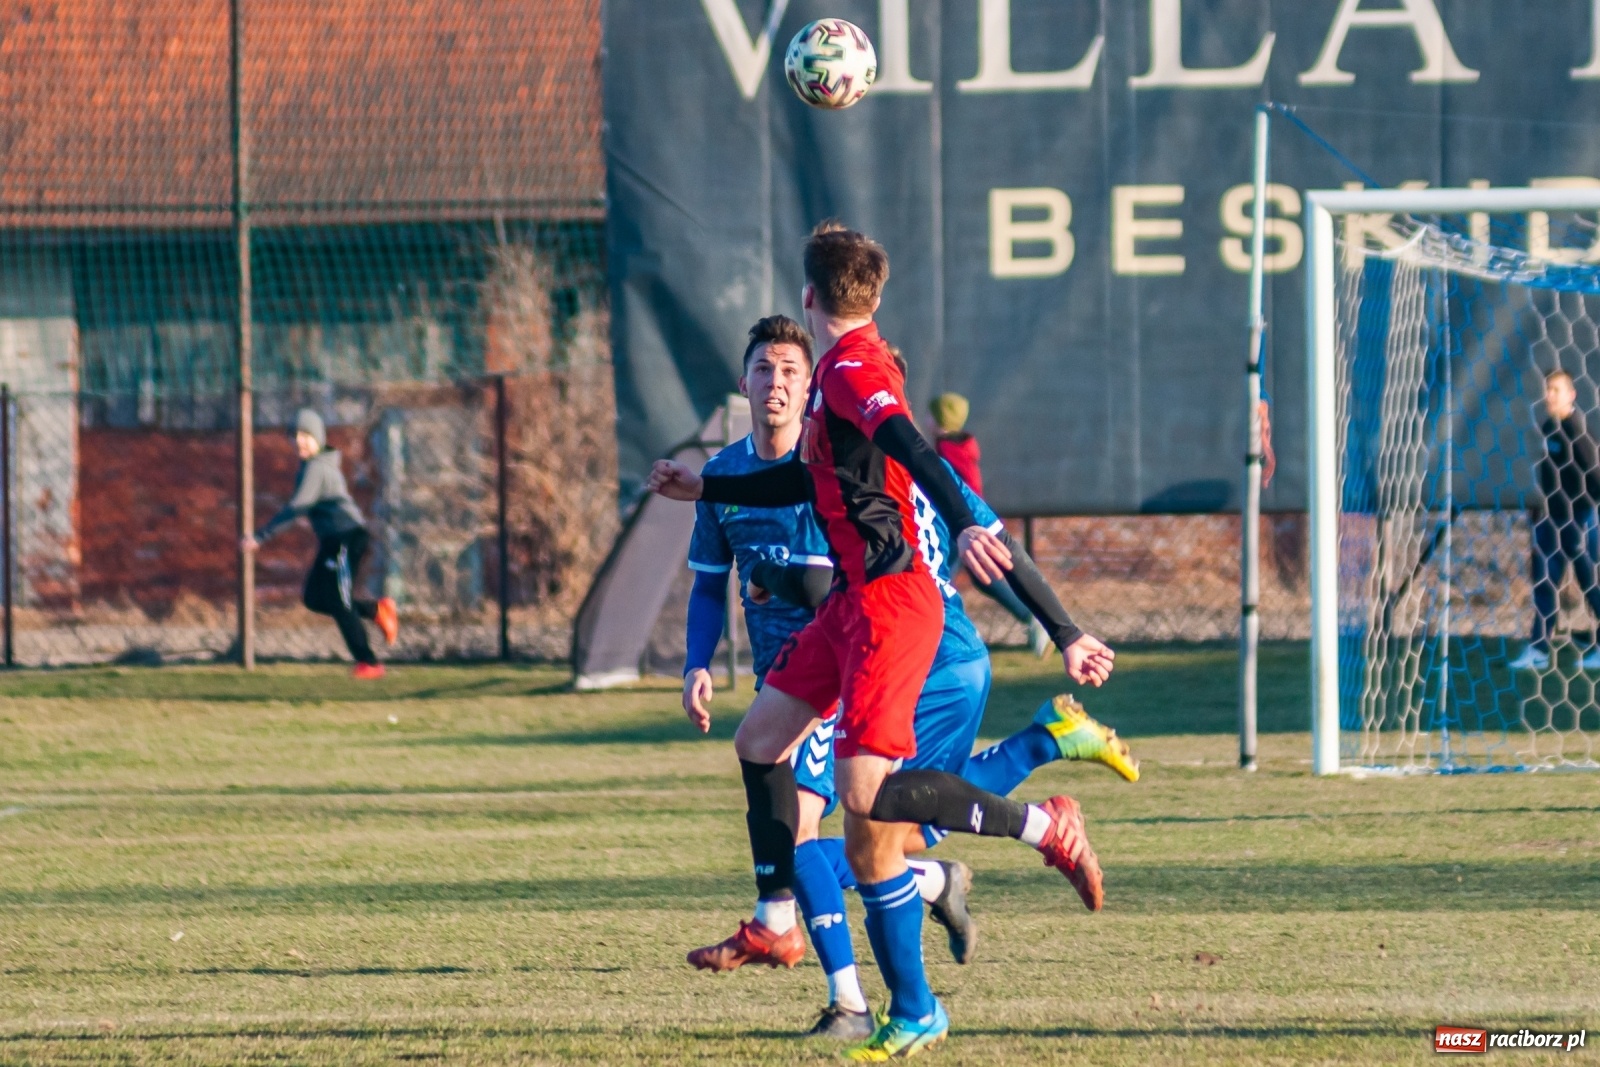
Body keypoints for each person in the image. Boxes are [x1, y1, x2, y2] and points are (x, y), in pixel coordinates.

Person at [648, 221, 1115, 1059]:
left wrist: (971, 522)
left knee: (866, 804)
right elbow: (806, 474)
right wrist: (707, 484)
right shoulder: (836, 372)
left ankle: (1042, 826)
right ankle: (792, 923)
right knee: (763, 744)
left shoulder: (857, 370)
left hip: (893, 606)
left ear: (806, 298)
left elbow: (907, 440)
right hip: (851, 608)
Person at [241, 409, 398, 678]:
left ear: (317, 437)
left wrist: (260, 537)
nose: (299, 442)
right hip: (332, 541)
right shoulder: (310, 467)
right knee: (314, 597)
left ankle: (369, 662)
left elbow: (295, 508)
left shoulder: (317, 469)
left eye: (305, 436)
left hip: (347, 537)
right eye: (296, 437)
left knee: (339, 599)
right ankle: (376, 610)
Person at [1511, 370, 1600, 670]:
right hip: (1552, 520)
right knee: (1545, 583)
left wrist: (1582, 513)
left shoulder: (1577, 430)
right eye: (1547, 390)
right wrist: (1541, 509)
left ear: (1571, 395)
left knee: (1591, 584)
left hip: (1579, 520)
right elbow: (1548, 477)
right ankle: (1538, 649)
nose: (1550, 395)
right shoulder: (1549, 428)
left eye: (1556, 390)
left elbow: (1595, 477)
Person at [929, 391, 983, 496]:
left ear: (942, 419)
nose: (927, 418)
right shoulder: (956, 446)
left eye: (930, 414)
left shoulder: (948, 449)